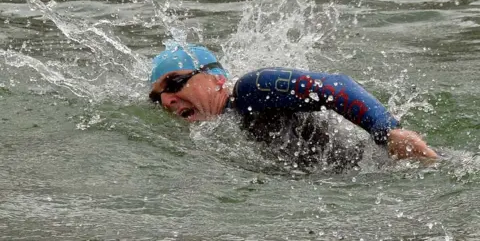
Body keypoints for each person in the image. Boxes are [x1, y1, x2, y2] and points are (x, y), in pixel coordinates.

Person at [149, 43, 438, 172]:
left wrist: (388, 133)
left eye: (174, 83)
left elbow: (334, 86)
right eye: (157, 96)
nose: (166, 101)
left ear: (217, 78)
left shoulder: (250, 91)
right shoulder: (216, 128)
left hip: (384, 168)